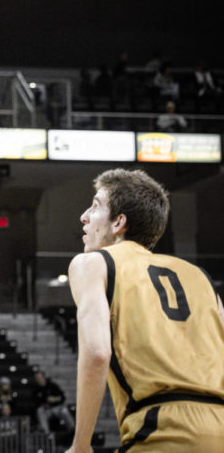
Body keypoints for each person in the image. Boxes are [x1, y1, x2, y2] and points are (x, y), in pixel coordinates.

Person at [65, 168, 224, 453]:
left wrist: (80, 445)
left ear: (119, 223)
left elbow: (98, 352)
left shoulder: (92, 264)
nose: (84, 216)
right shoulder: (201, 277)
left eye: (96, 206)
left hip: (160, 428)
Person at [32, 370, 74, 434]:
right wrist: (44, 404)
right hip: (46, 411)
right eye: (37, 378)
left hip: (56, 408)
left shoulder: (52, 386)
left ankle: (73, 430)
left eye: (39, 378)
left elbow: (62, 398)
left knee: (64, 410)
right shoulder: (35, 390)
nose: (38, 380)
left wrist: (55, 399)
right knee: (39, 411)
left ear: (44, 377)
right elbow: (35, 402)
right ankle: (46, 432)